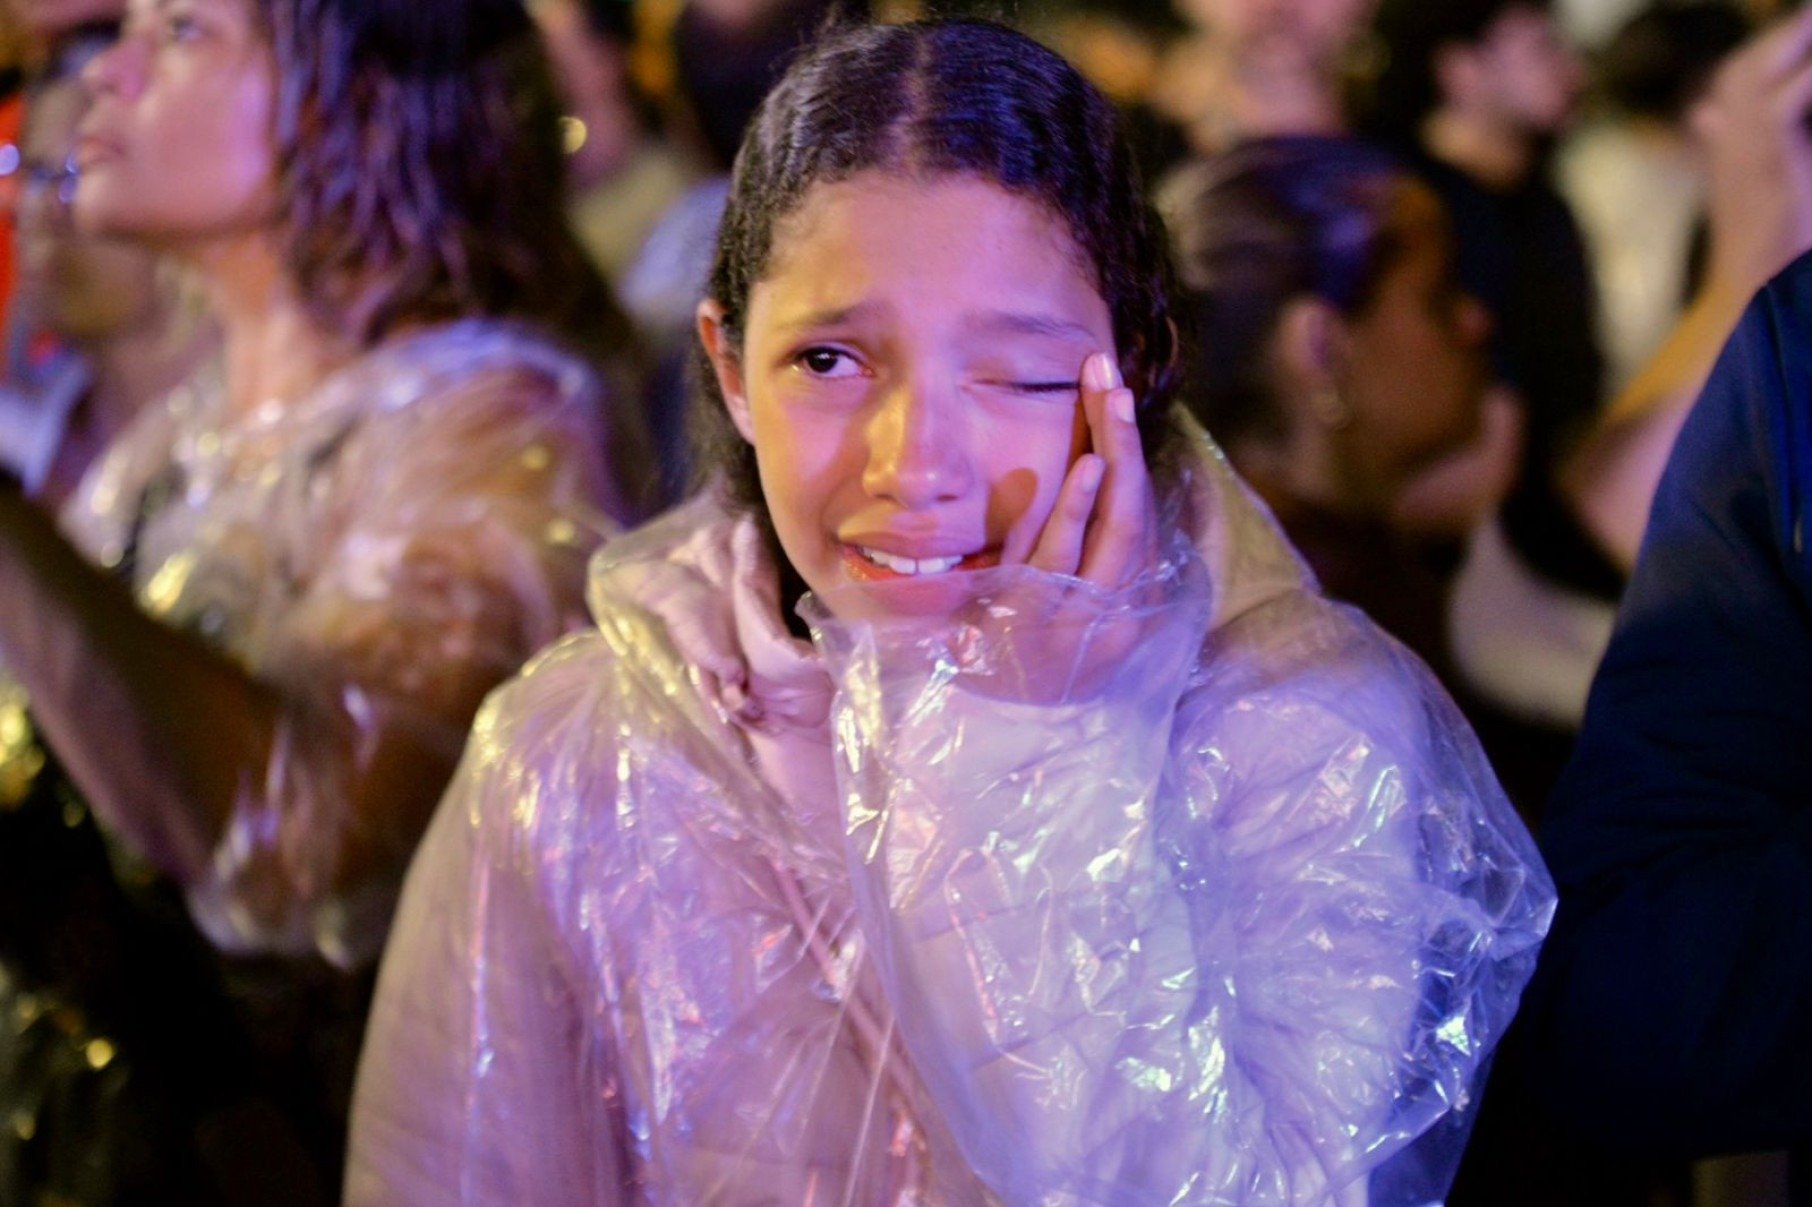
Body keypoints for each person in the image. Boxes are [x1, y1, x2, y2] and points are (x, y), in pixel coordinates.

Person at [346, 19, 1552, 1205]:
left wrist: (1036, 746)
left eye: (1016, 371)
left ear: (1137, 365)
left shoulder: (1305, 733)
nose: (915, 463)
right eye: (829, 362)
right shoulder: (577, 756)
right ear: (729, 367)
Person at [0, 0, 641, 1197]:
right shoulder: (186, 438)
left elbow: (295, 850)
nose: (112, 75)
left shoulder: (497, 431)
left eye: (184, 32)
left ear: (354, 98)